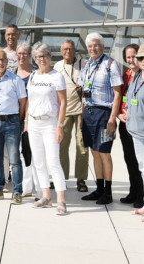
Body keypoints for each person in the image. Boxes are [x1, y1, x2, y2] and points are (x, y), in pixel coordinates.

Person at [79, 32, 123, 205]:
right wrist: (82, 116)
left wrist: (112, 118)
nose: (93, 48)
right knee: (94, 151)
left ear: (103, 46)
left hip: (105, 114)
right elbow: (83, 91)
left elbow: (118, 93)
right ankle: (99, 189)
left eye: (96, 45)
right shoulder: (86, 65)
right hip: (89, 113)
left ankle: (108, 192)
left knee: (104, 152)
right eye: (90, 46)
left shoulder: (110, 64)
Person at [25, 42, 68, 215]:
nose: (41, 59)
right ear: (34, 59)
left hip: (50, 123)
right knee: (39, 162)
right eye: (38, 57)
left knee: (53, 161)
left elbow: (63, 102)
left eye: (44, 56)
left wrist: (60, 125)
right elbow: (29, 100)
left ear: (50, 57)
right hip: (34, 123)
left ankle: (61, 200)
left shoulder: (57, 76)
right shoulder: (33, 75)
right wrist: (27, 123)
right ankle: (46, 196)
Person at [0, 48, 27, 205]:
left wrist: (18, 119)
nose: (1, 63)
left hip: (12, 122)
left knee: (15, 159)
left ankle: (17, 191)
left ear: (7, 62)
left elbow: (23, 103)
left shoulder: (16, 80)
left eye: (3, 60)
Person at [54, 39, 88, 193]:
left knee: (82, 146)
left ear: (75, 50)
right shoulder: (57, 66)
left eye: (70, 49)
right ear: (61, 51)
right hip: (65, 111)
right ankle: (62, 178)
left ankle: (81, 179)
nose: (68, 51)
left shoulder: (83, 64)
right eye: (65, 49)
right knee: (62, 145)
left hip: (81, 110)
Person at [118, 43, 143, 207]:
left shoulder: (140, 75)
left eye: (135, 56)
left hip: (139, 126)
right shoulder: (127, 76)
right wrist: (121, 114)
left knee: (139, 161)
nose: (132, 59)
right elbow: (122, 98)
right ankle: (133, 190)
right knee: (129, 159)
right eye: (128, 57)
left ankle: (141, 194)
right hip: (126, 123)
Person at [16, 41, 40, 197]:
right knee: (20, 154)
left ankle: (38, 187)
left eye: (25, 53)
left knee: (35, 153)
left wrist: (27, 120)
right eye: (19, 53)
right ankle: (26, 186)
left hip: (32, 119)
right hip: (15, 119)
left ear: (30, 56)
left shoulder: (37, 73)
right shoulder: (11, 73)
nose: (22, 56)